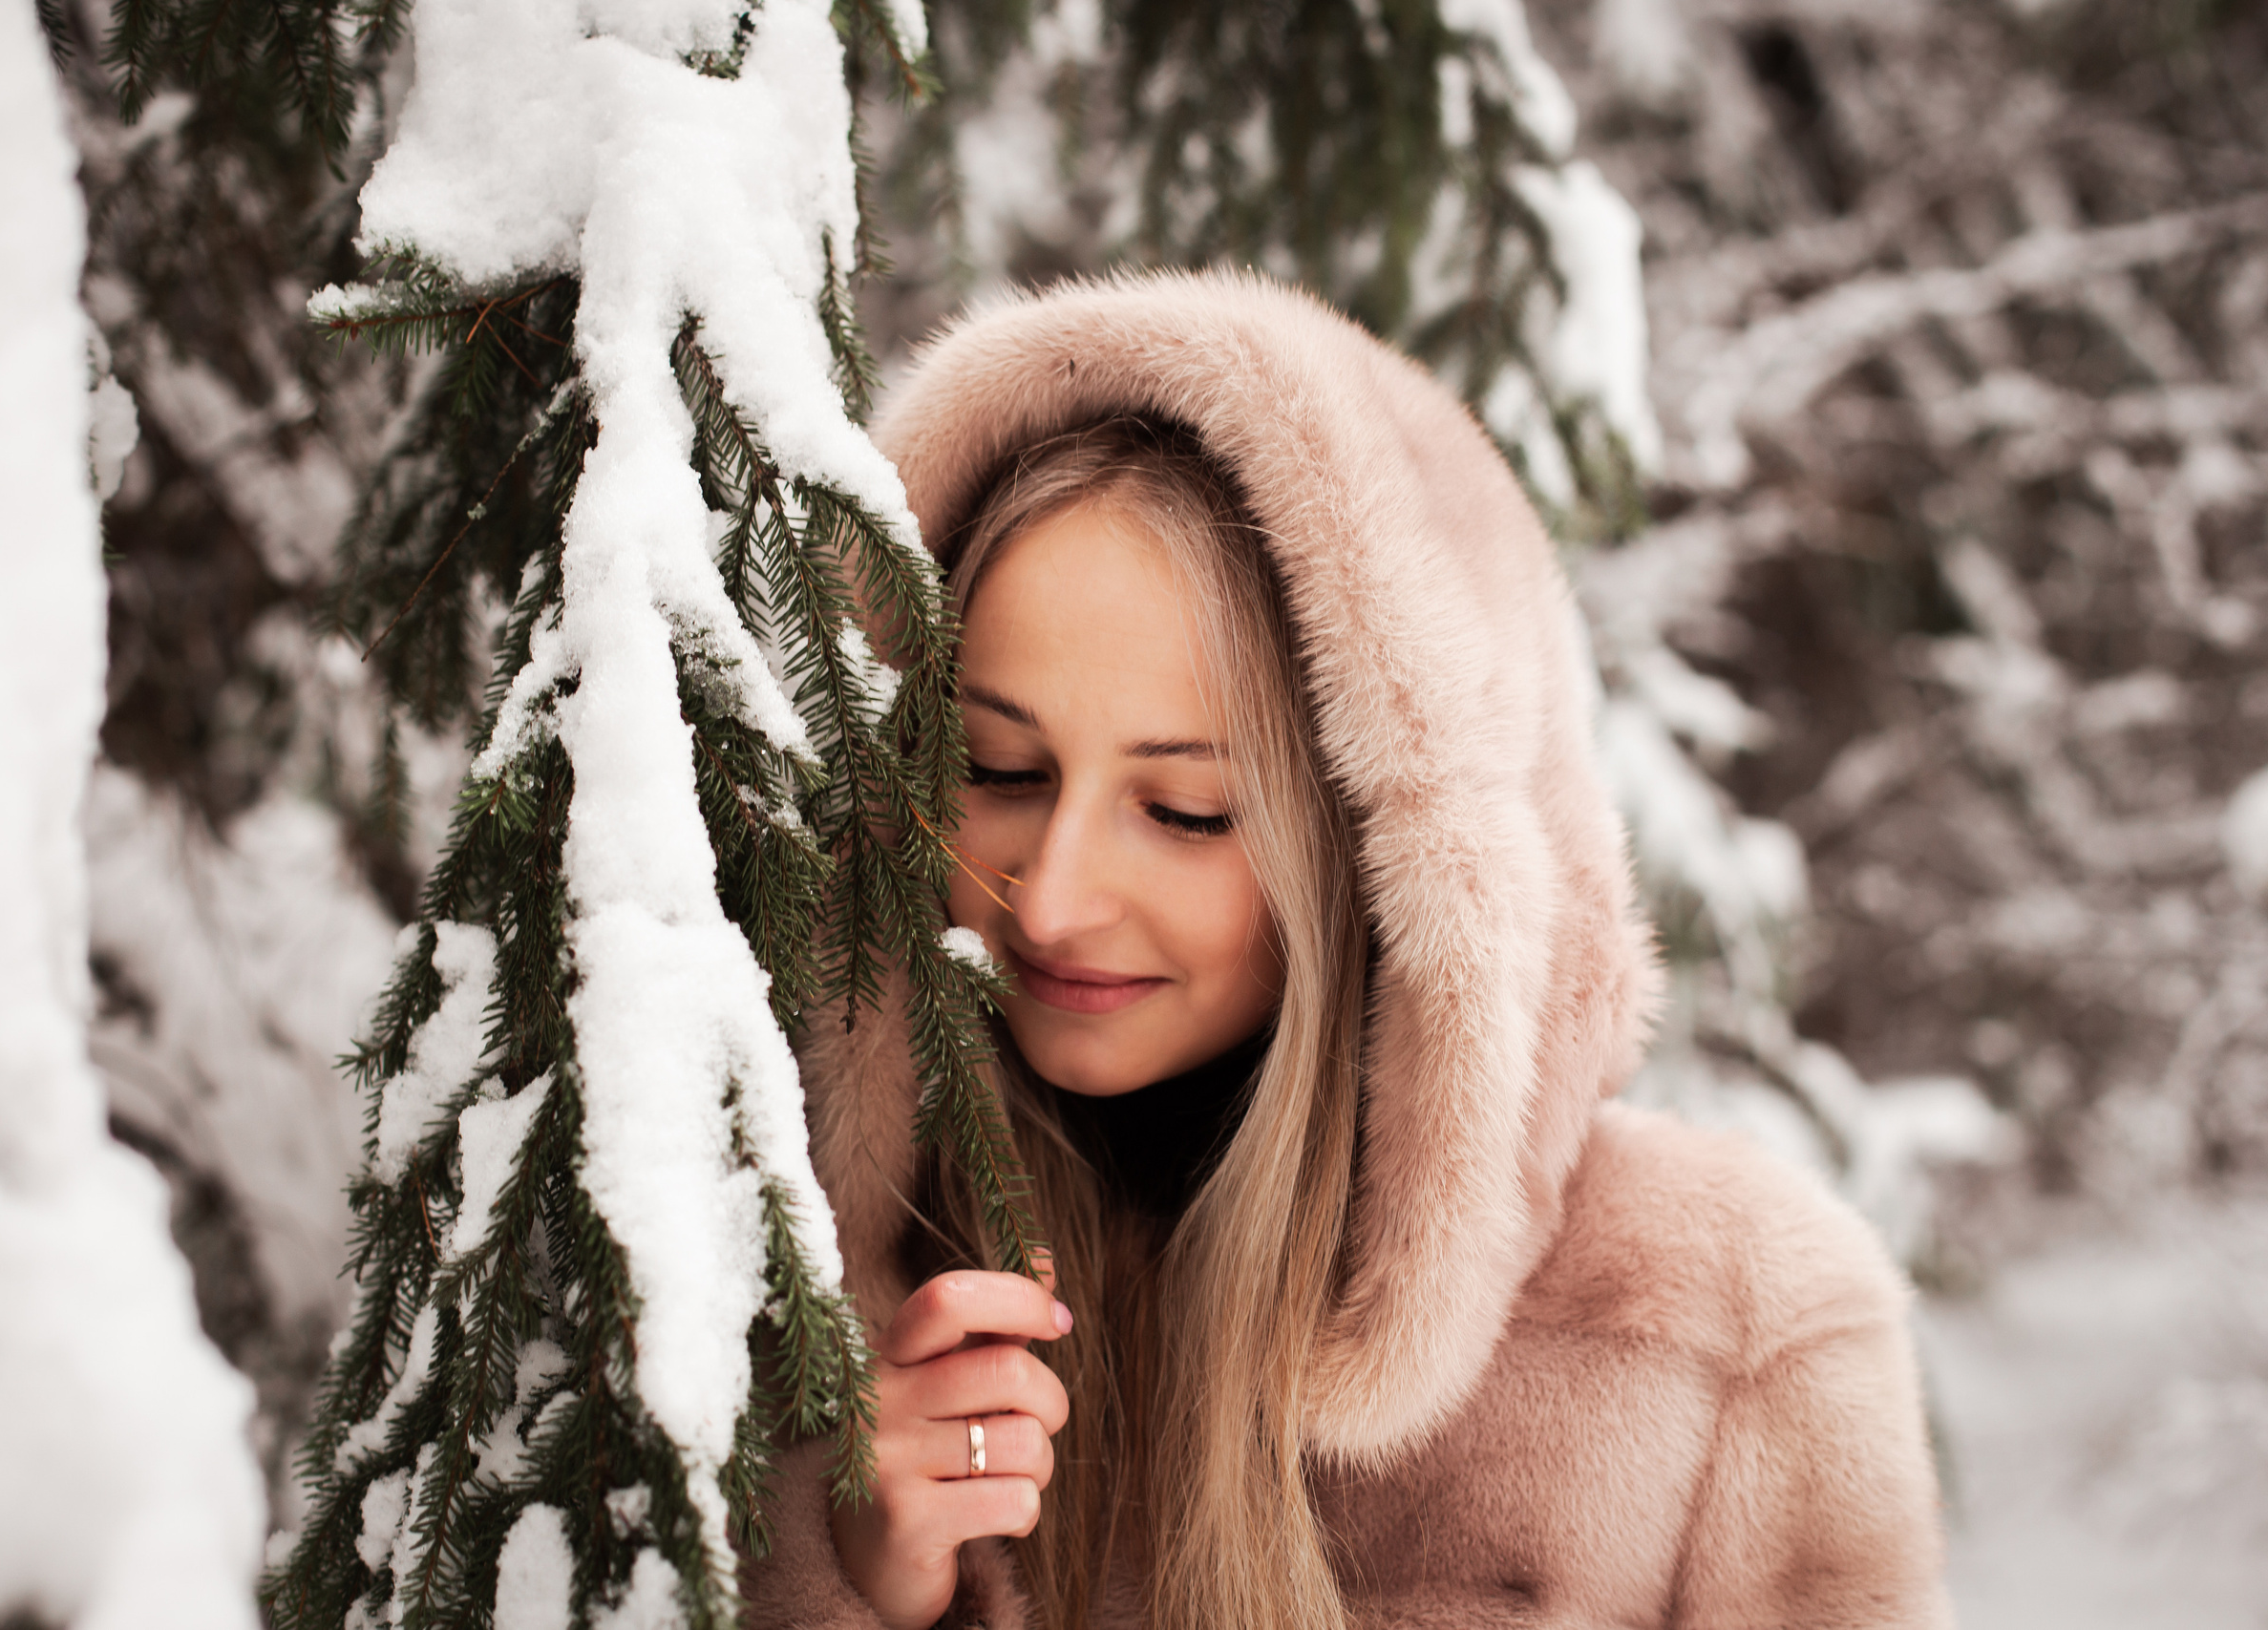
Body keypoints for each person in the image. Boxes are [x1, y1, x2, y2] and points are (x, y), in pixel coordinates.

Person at [743, 271, 1952, 1629]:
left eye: (1187, 810)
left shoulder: (1733, 1330)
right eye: (1000, 767)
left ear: (1386, 859)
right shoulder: (774, 1312)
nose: (1055, 902)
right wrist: (856, 1592)